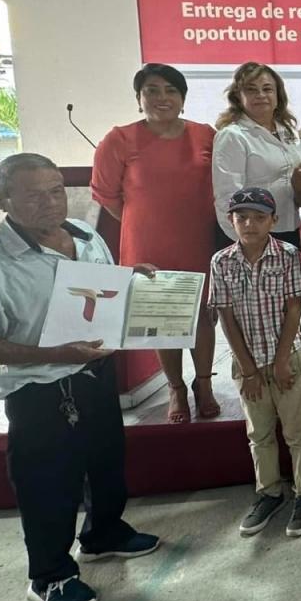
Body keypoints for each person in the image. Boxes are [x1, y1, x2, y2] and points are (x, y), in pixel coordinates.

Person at [0, 153, 159, 601]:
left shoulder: (85, 235)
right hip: (40, 392)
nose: (50, 202)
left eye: (56, 190)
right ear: (1, 200)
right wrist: (55, 354)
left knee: (106, 463)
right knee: (48, 484)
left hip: (94, 375)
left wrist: (129, 280)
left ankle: (103, 533)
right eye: (33, 195)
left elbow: (96, 292)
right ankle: (50, 575)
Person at [91, 63, 220, 424]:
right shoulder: (119, 139)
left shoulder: (205, 135)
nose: (162, 97)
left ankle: (204, 384)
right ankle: (176, 388)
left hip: (198, 236)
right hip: (149, 241)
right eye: (152, 90)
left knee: (202, 314)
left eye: (170, 90)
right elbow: (106, 194)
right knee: (163, 317)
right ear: (139, 98)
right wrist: (144, 219)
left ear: (182, 98)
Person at [209, 187, 301, 538]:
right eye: (242, 218)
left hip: (287, 359)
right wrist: (248, 370)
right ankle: (269, 492)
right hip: (248, 364)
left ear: (274, 220)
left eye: (259, 217)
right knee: (259, 433)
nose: (250, 224)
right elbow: (226, 317)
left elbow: (294, 308)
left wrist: (282, 360)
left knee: (296, 432)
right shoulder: (221, 262)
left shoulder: (288, 255)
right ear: (230, 221)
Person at [212, 62, 301, 247]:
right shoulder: (232, 136)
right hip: (253, 237)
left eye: (267, 89)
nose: (260, 95)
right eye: (251, 90)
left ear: (277, 95)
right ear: (238, 96)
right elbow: (227, 198)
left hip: (288, 229)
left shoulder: (287, 131)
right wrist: (245, 242)